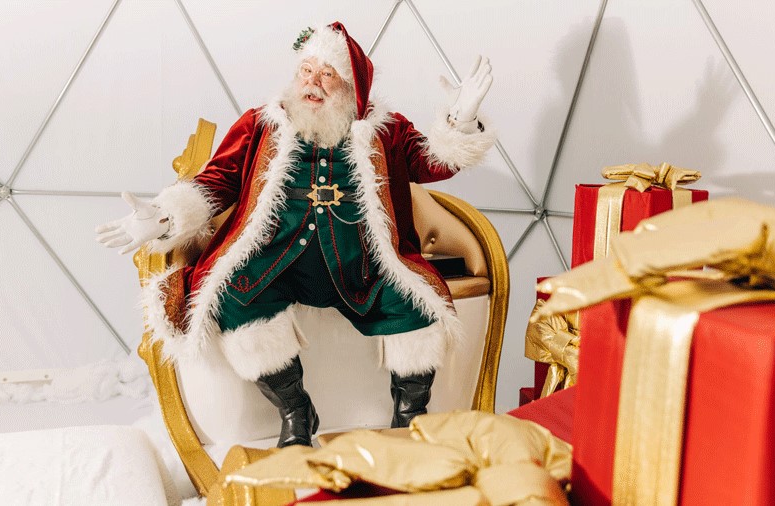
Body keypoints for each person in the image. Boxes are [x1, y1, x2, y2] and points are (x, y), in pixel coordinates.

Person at [96, 22, 494, 447]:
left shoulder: (385, 130)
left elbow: (433, 163)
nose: (312, 83)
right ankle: (295, 411)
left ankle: (410, 418)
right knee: (231, 297)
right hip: (277, 263)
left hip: (363, 267)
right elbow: (218, 180)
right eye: (307, 70)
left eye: (327, 74)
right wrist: (163, 216)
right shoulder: (262, 125)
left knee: (418, 306)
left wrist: (460, 120)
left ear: (352, 85)